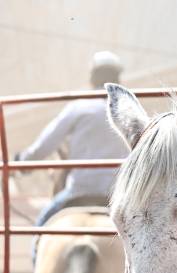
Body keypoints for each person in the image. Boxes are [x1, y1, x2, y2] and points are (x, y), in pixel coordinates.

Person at [15, 51, 130, 229]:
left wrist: (22, 164)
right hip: (118, 196)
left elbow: (45, 144)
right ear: (118, 78)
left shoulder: (78, 107)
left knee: (41, 227)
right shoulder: (128, 110)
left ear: (92, 77)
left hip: (79, 191)